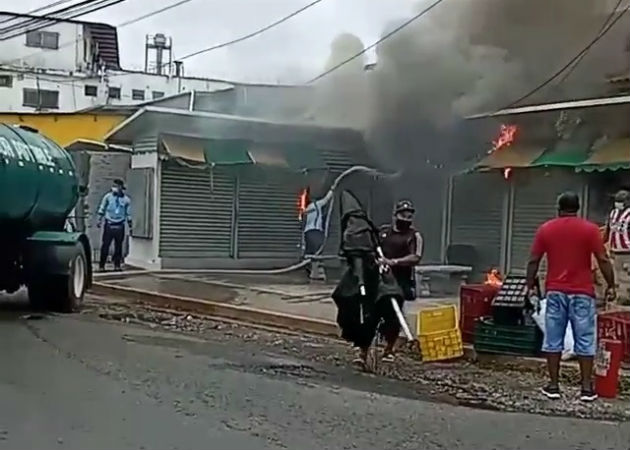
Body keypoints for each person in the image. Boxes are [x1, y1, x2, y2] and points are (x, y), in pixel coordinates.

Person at [526, 191, 615, 402]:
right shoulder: (590, 229)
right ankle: (586, 388)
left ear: (559, 208)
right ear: (578, 208)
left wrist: (530, 284)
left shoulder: (546, 229)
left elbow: (533, 260)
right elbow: (602, 259)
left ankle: (553, 386)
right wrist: (611, 284)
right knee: (584, 340)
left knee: (553, 339)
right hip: (583, 293)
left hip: (555, 292)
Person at [376, 199, 423, 362]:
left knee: (393, 315)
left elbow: (415, 257)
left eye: (410, 216)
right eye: (403, 215)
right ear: (395, 215)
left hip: (400, 281)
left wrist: (394, 262)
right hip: (380, 277)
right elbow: (373, 247)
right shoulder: (383, 232)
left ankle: (389, 349)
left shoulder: (413, 236)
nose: (406, 219)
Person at [97, 179, 132, 271]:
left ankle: (117, 265)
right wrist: (99, 220)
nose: (114, 188)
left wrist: (130, 224)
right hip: (109, 224)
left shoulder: (126, 200)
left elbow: (128, 214)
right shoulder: (108, 197)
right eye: (114, 186)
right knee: (105, 245)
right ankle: (101, 265)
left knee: (118, 246)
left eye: (116, 186)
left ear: (121, 187)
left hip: (120, 225)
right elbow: (102, 208)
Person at [604, 189, 630, 304]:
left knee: (626, 279)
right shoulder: (613, 213)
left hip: (627, 253)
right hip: (614, 251)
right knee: (616, 279)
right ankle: (618, 300)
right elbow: (608, 230)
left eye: (620, 201)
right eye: (617, 200)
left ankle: (624, 302)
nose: (617, 203)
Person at [302, 180, 337, 256]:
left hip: (308, 232)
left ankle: (308, 265)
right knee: (319, 250)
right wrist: (332, 189)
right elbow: (326, 199)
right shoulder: (316, 205)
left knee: (310, 251)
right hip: (315, 231)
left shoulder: (308, 208)